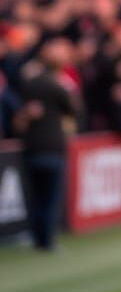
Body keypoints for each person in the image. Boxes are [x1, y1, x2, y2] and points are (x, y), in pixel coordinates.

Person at [13, 39, 78, 251]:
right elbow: (73, 109)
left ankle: (35, 237)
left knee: (35, 196)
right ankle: (47, 240)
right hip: (52, 146)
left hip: (31, 147)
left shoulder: (28, 83)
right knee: (49, 198)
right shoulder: (56, 86)